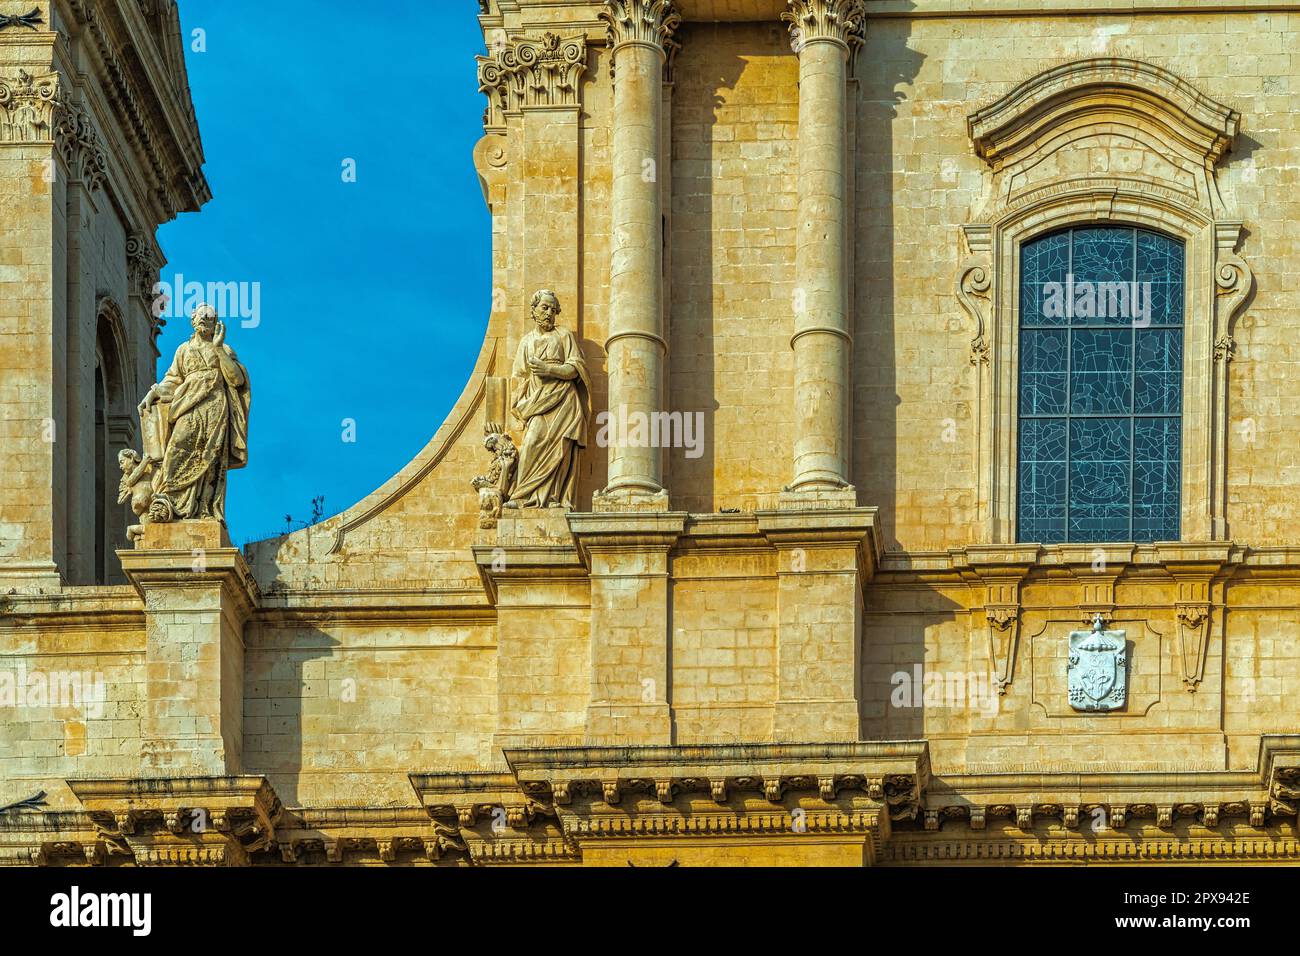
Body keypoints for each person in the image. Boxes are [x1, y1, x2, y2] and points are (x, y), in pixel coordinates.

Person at [138, 303, 250, 521]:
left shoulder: (224, 350)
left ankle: (204, 509)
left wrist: (218, 348)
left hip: (214, 409)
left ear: (215, 324)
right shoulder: (183, 350)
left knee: (210, 456)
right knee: (177, 448)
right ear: (192, 320)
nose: (203, 320)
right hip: (187, 406)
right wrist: (155, 392)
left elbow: (237, 379)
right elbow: (172, 380)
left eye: (208, 317)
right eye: (200, 316)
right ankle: (169, 500)